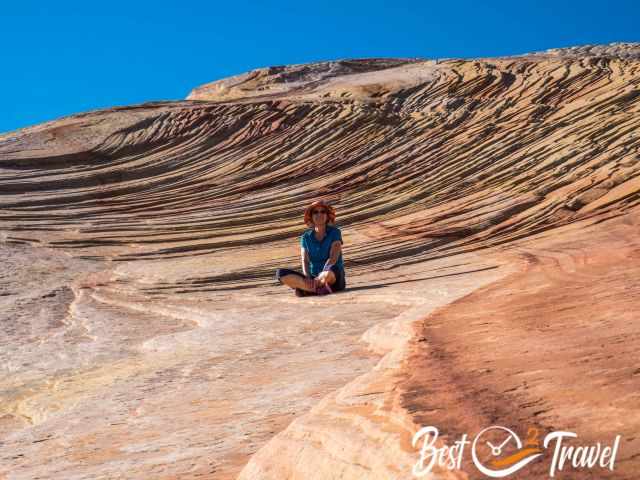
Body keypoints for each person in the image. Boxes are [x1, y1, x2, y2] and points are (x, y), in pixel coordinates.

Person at [275, 200, 346, 296]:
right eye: (315, 212)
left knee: (328, 273)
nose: (319, 214)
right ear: (311, 217)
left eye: (322, 212)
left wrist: (322, 274)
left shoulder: (335, 232)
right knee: (280, 274)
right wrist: (307, 277)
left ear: (327, 216)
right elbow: (305, 260)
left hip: (333, 277)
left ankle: (307, 289)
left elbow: (333, 258)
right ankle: (317, 288)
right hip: (313, 277)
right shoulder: (305, 237)